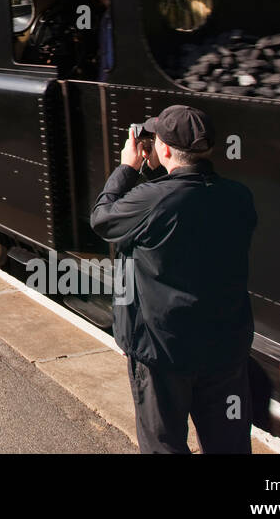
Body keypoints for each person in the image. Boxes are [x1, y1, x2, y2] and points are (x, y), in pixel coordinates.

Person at [89, 105, 256, 453]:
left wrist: (128, 167)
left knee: (163, 445)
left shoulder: (150, 200)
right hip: (225, 349)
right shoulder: (240, 197)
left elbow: (102, 219)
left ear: (163, 149)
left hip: (162, 352)